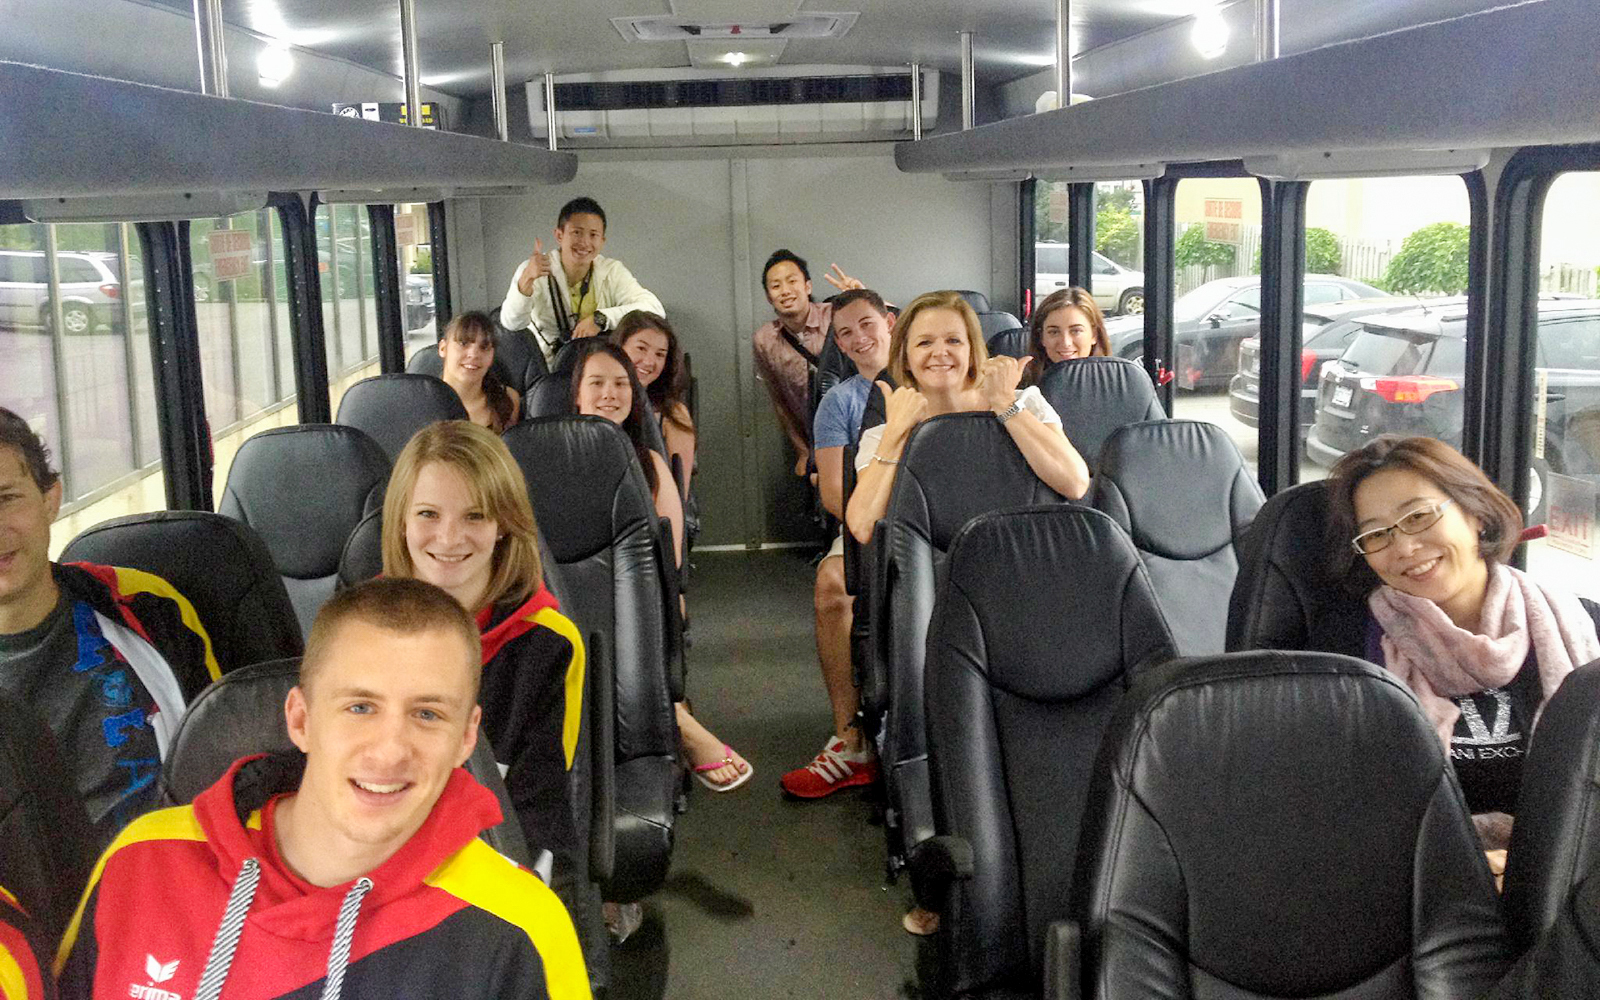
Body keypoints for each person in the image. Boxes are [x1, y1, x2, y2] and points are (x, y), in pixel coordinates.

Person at [55, 578, 590, 1000]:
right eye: (360, 707)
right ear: (301, 719)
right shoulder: (141, 865)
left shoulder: (520, 929)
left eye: (427, 714)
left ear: (465, 739)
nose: (388, 751)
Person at [1327, 435, 1600, 856]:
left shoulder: (1582, 629)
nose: (1403, 547)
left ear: (1475, 513)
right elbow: (1345, 807)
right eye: (1377, 535)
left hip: (1566, 879)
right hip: (1425, 885)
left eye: (1418, 516)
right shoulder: (1350, 651)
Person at [379, 421, 583, 919]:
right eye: (428, 513)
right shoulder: (364, 632)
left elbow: (537, 817)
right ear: (401, 523)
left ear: (503, 525)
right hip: (379, 879)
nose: (448, 538)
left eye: (474, 515)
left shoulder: (546, 645)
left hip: (492, 880)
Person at [0, 408, 218, 844]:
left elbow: (224, 758)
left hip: (172, 884)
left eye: (5, 498)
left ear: (50, 499)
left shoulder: (146, 610)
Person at [569, 346, 751, 792]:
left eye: (620, 383)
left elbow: (667, 561)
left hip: (633, 596)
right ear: (576, 394)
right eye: (597, 383)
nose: (609, 394)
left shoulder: (649, 464)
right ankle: (676, 719)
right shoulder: (545, 460)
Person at [845, 290, 1092, 547]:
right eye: (924, 343)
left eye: (953, 341)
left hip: (1028, 554)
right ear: (905, 358)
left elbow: (1074, 483)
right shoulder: (883, 434)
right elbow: (863, 528)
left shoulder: (1024, 402)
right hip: (939, 571)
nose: (940, 352)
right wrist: (895, 434)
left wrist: (1004, 404)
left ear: (972, 350)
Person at [780, 288, 893, 799]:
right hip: (867, 524)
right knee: (832, 586)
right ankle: (850, 738)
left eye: (866, 324)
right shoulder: (840, 402)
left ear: (889, 321)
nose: (858, 339)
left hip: (938, 524)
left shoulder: (933, 381)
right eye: (844, 333)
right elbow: (834, 497)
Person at [499, 197, 664, 366]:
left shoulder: (612, 271)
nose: (585, 242)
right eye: (576, 232)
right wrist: (527, 280)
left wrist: (601, 319)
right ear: (559, 235)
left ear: (602, 241)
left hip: (601, 369)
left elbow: (655, 310)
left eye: (593, 235)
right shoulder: (532, 269)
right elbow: (512, 323)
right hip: (551, 373)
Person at [752, 250, 863, 477]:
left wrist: (860, 301)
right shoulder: (764, 340)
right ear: (768, 297)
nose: (785, 291)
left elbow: (883, 333)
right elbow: (779, 401)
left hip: (861, 432)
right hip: (819, 444)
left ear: (808, 287)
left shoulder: (836, 315)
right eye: (775, 286)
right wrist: (803, 452)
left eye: (792, 281)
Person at [611, 311, 694, 496]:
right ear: (619, 348)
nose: (649, 361)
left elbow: (680, 493)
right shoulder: (599, 402)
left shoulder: (674, 414)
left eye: (660, 354)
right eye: (641, 348)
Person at [437, 311, 521, 432]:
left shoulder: (508, 400)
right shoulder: (423, 403)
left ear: (492, 355)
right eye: (463, 343)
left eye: (484, 347)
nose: (474, 354)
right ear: (443, 348)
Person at [1023, 286, 1112, 385]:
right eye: (1054, 332)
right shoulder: (1021, 390)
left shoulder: (1117, 386)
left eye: (1076, 331)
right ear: (1042, 337)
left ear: (1094, 335)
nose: (1066, 343)